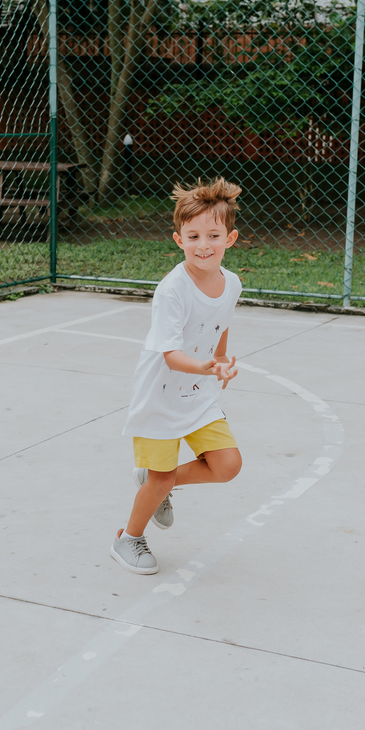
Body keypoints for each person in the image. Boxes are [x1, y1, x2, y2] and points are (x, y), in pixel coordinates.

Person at [112, 177, 244, 574]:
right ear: (178, 239)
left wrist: (219, 360)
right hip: (161, 396)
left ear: (230, 238)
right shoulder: (172, 290)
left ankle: (161, 485)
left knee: (227, 466)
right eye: (193, 236)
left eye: (213, 235)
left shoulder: (232, 283)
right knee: (160, 475)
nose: (203, 245)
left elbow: (221, 324)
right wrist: (204, 365)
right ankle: (128, 539)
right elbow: (171, 355)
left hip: (197, 391)